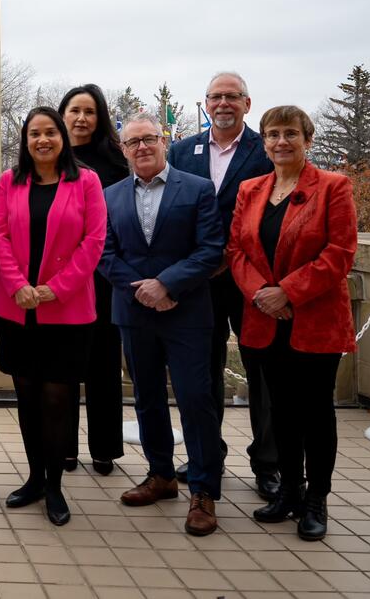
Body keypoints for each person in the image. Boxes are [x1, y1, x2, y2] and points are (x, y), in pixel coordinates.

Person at [227, 106, 356, 541]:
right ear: (263, 142)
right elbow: (236, 251)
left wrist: (289, 292)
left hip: (314, 319)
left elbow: (340, 253)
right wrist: (263, 293)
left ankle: (316, 500)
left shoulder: (333, 187)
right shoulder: (251, 188)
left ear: (307, 139)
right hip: (265, 318)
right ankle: (288, 491)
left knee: (316, 413)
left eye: (290, 134)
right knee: (280, 410)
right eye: (273, 135)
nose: (281, 142)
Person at [101, 114, 224, 536]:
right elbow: (104, 252)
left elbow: (211, 250)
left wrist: (166, 284)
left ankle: (204, 491)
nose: (141, 147)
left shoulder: (197, 189)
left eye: (149, 139)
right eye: (132, 142)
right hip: (134, 314)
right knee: (148, 399)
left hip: (186, 313)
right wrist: (141, 290)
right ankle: (161, 475)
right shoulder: (110, 195)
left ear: (163, 140)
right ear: (123, 150)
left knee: (195, 399)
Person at [0, 107, 107, 526]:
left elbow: (94, 241)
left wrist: (54, 289)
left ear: (61, 138)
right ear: (25, 140)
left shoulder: (86, 181)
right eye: (34, 133)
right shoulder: (10, 182)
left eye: (50, 133)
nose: (42, 140)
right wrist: (17, 283)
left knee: (58, 399)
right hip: (16, 307)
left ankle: (55, 485)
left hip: (68, 310)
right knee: (27, 396)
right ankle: (35, 477)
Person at [169, 71, 278, 500]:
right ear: (205, 103)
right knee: (201, 373)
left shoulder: (264, 151)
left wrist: (228, 258)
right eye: (216, 97)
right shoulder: (182, 151)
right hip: (199, 283)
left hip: (252, 281)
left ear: (247, 105)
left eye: (232, 97)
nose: (223, 104)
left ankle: (268, 462)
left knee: (261, 371)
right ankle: (205, 453)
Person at [58, 84, 130, 476]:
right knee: (64, 367)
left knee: (104, 367)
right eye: (75, 111)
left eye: (90, 112)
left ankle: (104, 448)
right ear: (62, 114)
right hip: (58, 280)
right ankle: (64, 447)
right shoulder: (49, 158)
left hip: (103, 279)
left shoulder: (115, 164)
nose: (82, 118)